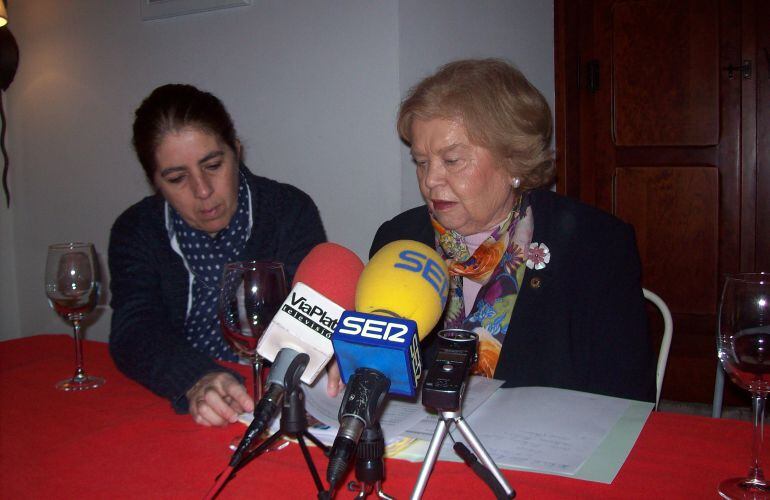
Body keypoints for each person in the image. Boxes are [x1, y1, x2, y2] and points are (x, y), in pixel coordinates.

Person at [330, 59, 655, 401]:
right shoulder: (399, 240)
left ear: (513, 160)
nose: (430, 180)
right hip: (420, 448)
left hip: (542, 448)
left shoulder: (596, 245)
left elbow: (627, 399)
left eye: (452, 161)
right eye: (421, 162)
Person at [109, 84, 326, 426]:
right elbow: (134, 329)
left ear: (236, 152)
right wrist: (194, 377)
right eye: (177, 178)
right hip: (182, 399)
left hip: (279, 401)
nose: (203, 191)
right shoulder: (137, 230)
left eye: (212, 165)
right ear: (155, 182)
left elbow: (313, 315)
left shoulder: (289, 211)